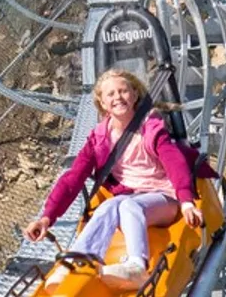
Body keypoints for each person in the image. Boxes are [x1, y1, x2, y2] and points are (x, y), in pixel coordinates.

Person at [23, 68, 203, 288]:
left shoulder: (151, 129)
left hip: (163, 198)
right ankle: (79, 262)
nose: (118, 97)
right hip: (129, 198)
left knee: (127, 205)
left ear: (134, 95)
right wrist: (46, 218)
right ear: (103, 103)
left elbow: (174, 161)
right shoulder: (100, 138)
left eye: (123, 91)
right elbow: (73, 179)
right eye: (111, 94)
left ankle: (137, 267)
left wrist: (186, 201)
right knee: (108, 206)